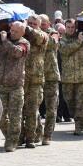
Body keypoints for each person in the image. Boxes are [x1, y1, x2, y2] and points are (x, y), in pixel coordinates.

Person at [0, 21, 29, 152]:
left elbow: (17, 53)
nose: (12, 33)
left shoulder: (25, 43)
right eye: (12, 30)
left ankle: (12, 142)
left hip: (16, 85)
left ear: (23, 33)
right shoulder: (2, 42)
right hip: (0, 84)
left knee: (15, 115)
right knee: (1, 115)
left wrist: (5, 41)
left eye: (16, 31)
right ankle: (10, 136)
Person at [21, 15, 49, 147]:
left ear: (39, 25)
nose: (31, 26)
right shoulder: (21, 37)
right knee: (21, 109)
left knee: (32, 110)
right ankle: (26, 134)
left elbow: (38, 38)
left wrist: (25, 27)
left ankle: (30, 138)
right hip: (21, 78)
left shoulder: (43, 36)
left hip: (36, 79)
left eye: (34, 24)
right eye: (29, 23)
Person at [59, 20, 83, 135]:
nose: (71, 29)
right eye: (68, 27)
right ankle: (79, 118)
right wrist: (78, 42)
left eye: (72, 27)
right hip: (68, 78)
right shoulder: (62, 40)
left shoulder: (82, 38)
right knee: (70, 101)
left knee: (80, 102)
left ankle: (79, 125)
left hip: (82, 77)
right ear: (65, 27)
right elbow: (65, 50)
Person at [39, 15, 61, 145]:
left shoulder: (54, 33)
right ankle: (38, 130)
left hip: (51, 76)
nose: (41, 26)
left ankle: (48, 135)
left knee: (51, 108)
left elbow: (53, 43)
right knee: (32, 108)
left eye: (43, 24)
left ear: (48, 24)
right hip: (36, 76)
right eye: (39, 24)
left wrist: (39, 35)